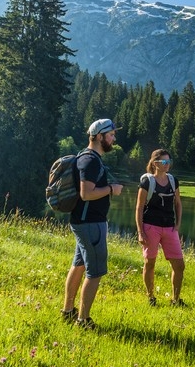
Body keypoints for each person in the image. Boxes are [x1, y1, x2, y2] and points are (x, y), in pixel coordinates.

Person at [61, 118, 124, 329]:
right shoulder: (90, 161)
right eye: (111, 135)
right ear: (99, 137)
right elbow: (86, 194)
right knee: (95, 272)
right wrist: (111, 190)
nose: (114, 138)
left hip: (84, 222)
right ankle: (83, 320)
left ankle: (68, 311)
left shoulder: (86, 157)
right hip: (90, 224)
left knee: (78, 265)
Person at [135, 148, 185, 306]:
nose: (167, 164)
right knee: (150, 263)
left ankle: (175, 300)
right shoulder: (147, 182)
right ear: (155, 163)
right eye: (164, 162)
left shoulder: (173, 181)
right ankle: (151, 297)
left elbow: (178, 203)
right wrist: (140, 232)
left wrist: (177, 224)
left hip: (170, 228)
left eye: (169, 161)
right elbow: (139, 208)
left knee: (179, 265)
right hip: (151, 227)